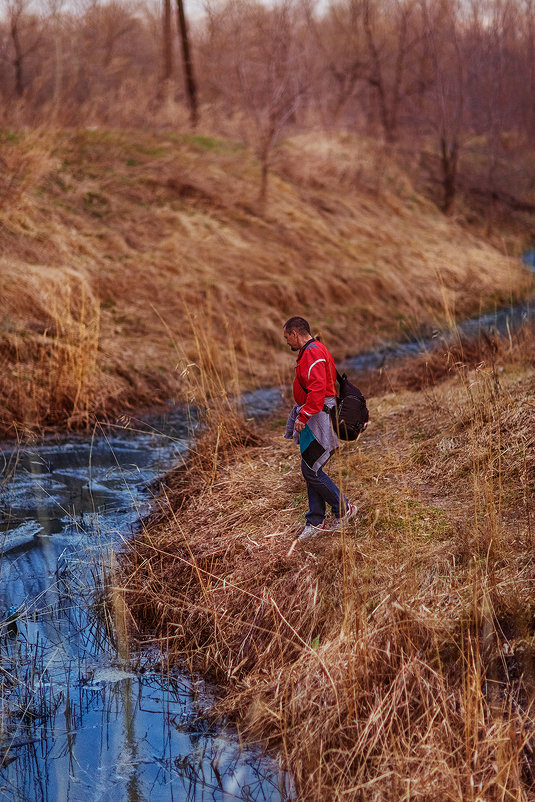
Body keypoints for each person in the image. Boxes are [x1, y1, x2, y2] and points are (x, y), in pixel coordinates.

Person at [283, 316, 357, 540]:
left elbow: (316, 390)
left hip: (319, 417)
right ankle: (315, 521)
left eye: (287, 337)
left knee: (311, 470)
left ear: (296, 334)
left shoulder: (313, 352)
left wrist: (303, 415)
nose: (287, 342)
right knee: (310, 466)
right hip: (316, 416)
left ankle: (343, 509)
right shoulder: (312, 349)